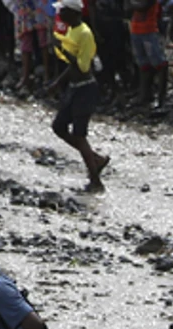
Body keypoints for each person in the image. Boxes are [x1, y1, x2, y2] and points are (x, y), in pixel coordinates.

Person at [50, 0, 110, 191]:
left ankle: (96, 180)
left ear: (73, 13)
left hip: (85, 88)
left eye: (63, 11)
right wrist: (58, 82)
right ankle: (95, 158)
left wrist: (62, 48)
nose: (60, 14)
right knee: (59, 126)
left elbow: (83, 66)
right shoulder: (71, 30)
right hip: (75, 87)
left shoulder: (84, 33)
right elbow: (71, 65)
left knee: (79, 134)